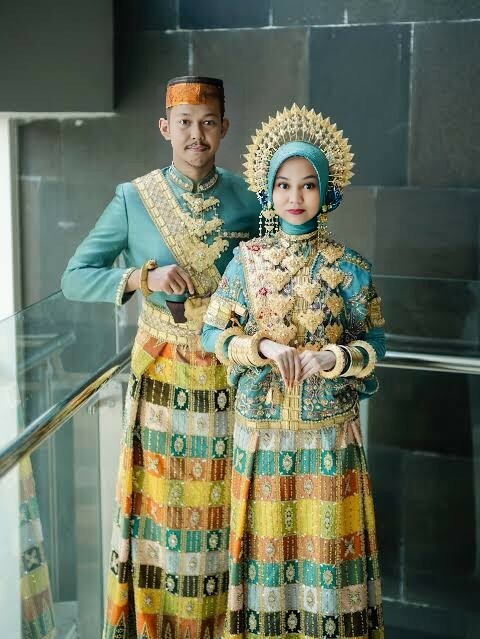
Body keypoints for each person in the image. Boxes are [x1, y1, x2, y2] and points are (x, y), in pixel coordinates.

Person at [61, 76, 259, 639]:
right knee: (163, 514)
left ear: (224, 128)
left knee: (228, 509)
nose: (197, 134)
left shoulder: (251, 198)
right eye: (185, 123)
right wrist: (139, 277)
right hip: (162, 382)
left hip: (231, 378)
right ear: (164, 128)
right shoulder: (134, 198)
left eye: (208, 122)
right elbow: (74, 277)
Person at [201, 105, 386, 639]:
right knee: (263, 554)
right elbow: (213, 334)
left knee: (329, 556)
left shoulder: (351, 267)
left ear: (326, 192)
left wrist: (335, 358)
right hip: (260, 430)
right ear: (269, 191)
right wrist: (258, 346)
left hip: (328, 434)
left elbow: (375, 344)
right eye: (284, 185)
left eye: (307, 185)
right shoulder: (246, 261)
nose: (295, 197)